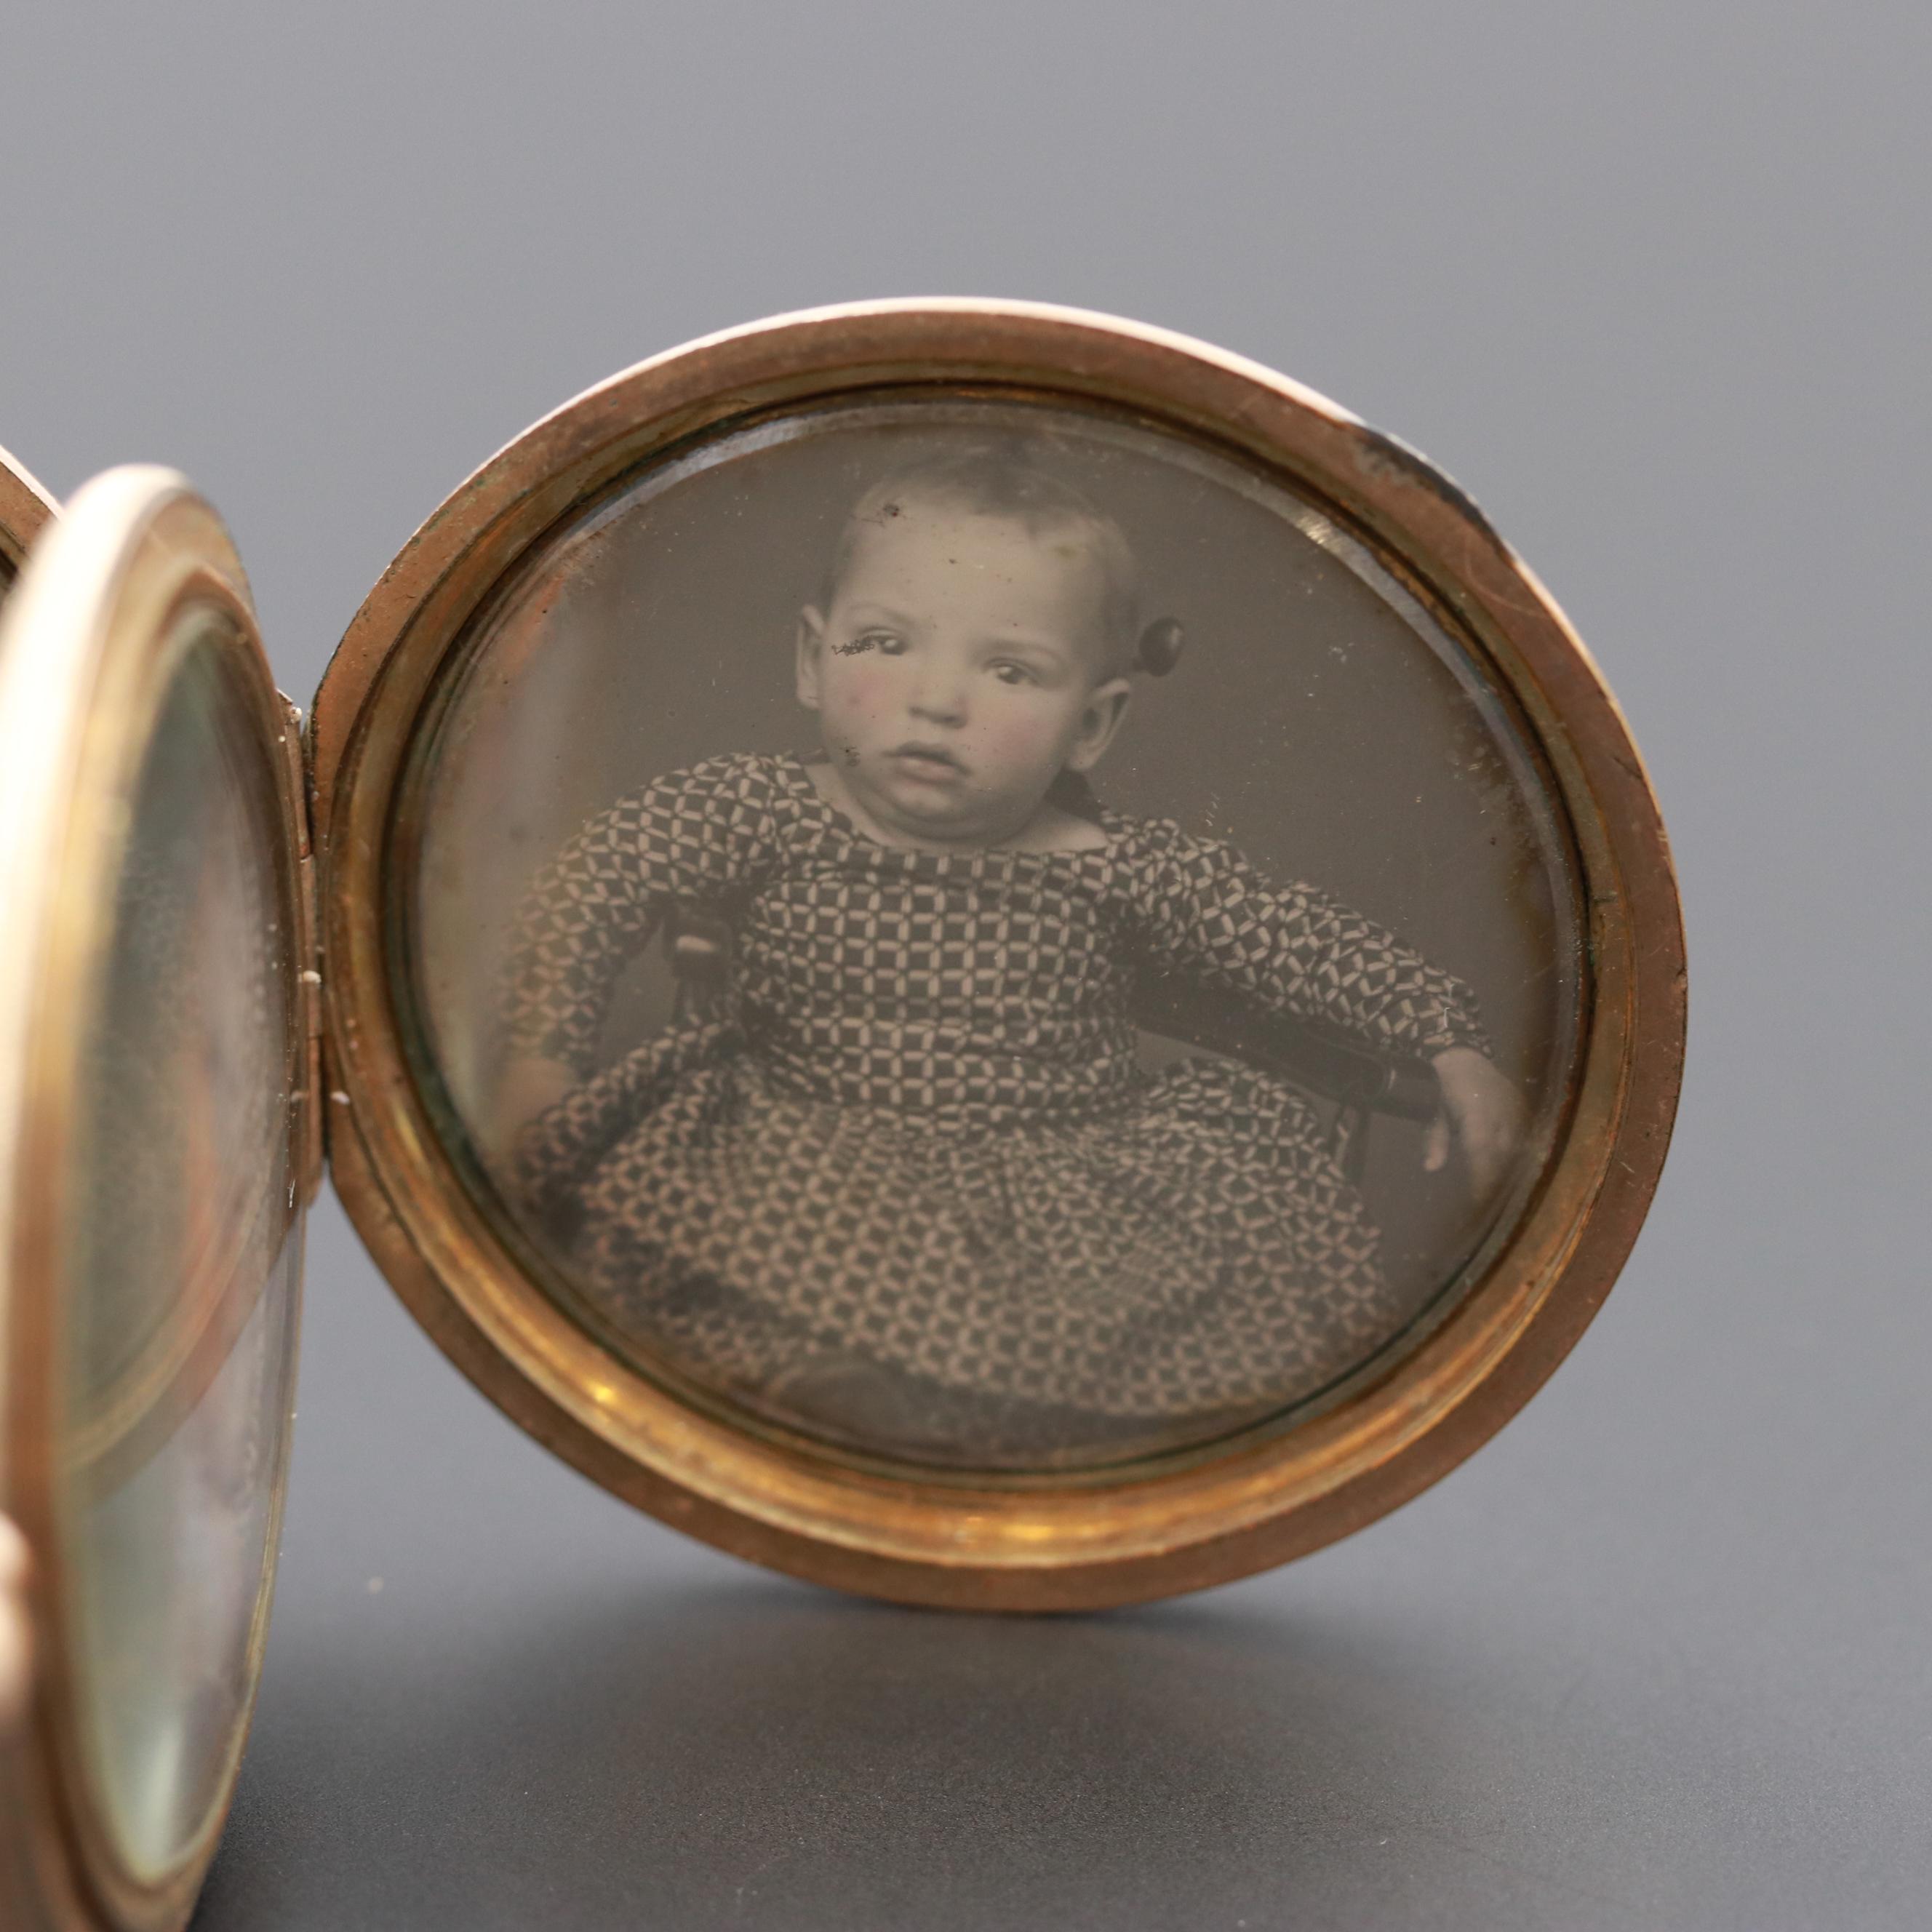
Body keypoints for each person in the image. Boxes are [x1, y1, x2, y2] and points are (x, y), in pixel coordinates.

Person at [496, 447, 1527, 1465]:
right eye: (886, 645)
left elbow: (1299, 940)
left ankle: (1039, 1470)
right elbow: (599, 877)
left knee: (1194, 1280)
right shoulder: (763, 810)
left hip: (1061, 1200)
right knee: (738, 1261)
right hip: (806, 1149)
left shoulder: (1123, 866)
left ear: (1094, 724)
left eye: (1009, 669)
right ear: (813, 661)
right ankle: (850, 1425)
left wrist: (1447, 1037)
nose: (938, 699)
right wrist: (545, 1050)